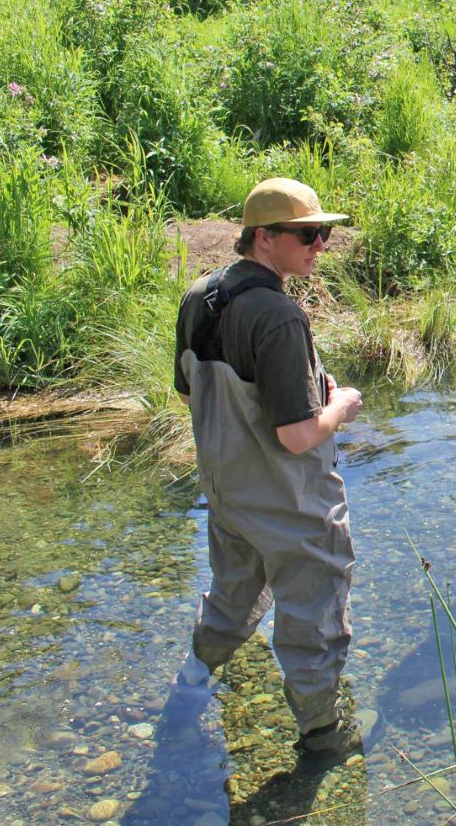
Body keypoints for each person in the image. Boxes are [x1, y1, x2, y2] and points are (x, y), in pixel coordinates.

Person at [172, 177, 375, 760]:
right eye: (308, 234)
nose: (320, 246)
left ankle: (195, 676)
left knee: (233, 592)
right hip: (291, 501)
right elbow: (296, 436)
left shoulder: (200, 296)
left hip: (228, 494)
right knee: (314, 614)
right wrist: (339, 408)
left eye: (325, 233)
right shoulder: (279, 315)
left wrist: (307, 389)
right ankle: (321, 732)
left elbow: (192, 395)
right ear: (264, 237)